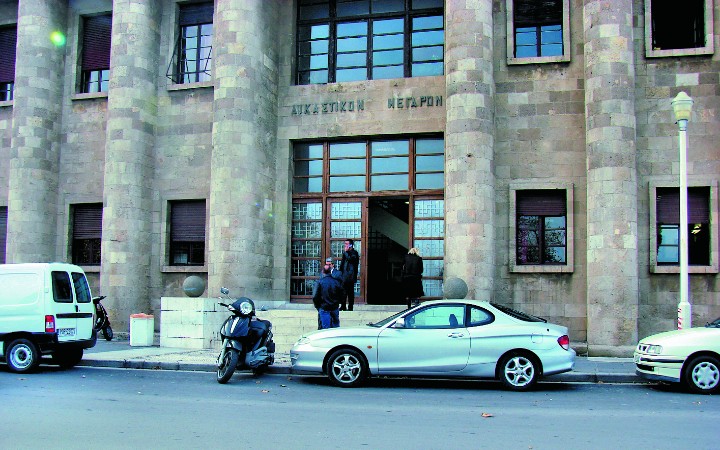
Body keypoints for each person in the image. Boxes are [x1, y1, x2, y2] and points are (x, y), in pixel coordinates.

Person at [313, 264, 343, 329]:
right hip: (334, 307)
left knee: (326, 329)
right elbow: (342, 294)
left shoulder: (319, 282)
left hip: (324, 307)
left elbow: (315, 296)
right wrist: (337, 303)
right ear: (330, 271)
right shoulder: (336, 282)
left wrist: (317, 306)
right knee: (335, 328)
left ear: (323, 272)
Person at [338, 239, 359, 311]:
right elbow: (342, 264)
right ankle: (343, 306)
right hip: (344, 275)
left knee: (350, 292)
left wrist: (346, 252)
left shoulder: (354, 253)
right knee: (343, 291)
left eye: (347, 244)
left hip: (351, 276)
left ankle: (350, 307)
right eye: (345, 244)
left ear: (351, 245)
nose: (345, 245)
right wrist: (340, 273)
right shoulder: (345, 253)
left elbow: (350, 259)